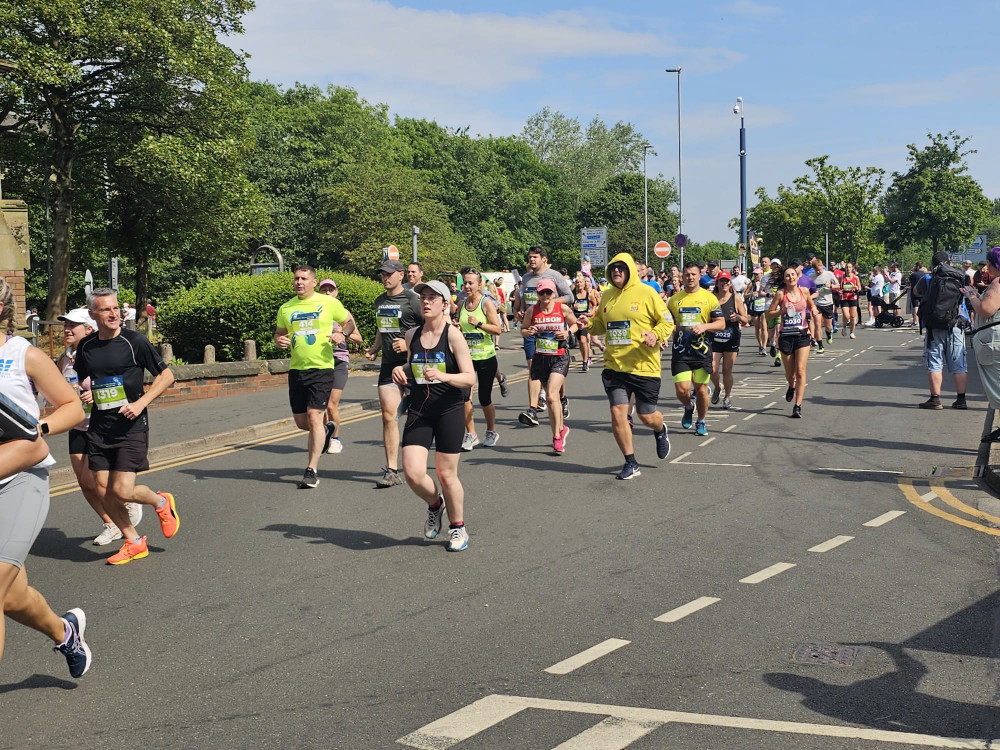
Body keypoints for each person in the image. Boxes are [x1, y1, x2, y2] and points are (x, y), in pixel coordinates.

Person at [0, 279, 92, 678]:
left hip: (21, 478)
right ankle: (65, 632)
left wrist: (40, 427)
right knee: (13, 598)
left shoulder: (24, 354)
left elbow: (71, 406)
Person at [75, 288, 179, 564]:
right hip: (100, 426)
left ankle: (161, 502)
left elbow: (166, 375)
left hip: (131, 426)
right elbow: (87, 379)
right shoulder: (86, 346)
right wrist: (86, 391)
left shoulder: (135, 341)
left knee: (121, 491)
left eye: (116, 308)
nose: (114, 314)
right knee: (102, 490)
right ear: (92, 314)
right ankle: (133, 541)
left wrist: (141, 402)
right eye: (106, 309)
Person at [393, 280, 476, 551]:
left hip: (449, 409)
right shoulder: (412, 335)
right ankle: (435, 504)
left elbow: (468, 377)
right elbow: (414, 364)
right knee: (413, 473)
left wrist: (442, 375)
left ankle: (458, 529)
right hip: (419, 409)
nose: (426, 302)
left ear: (444, 304)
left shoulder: (452, 335)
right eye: (423, 297)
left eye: (432, 298)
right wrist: (403, 369)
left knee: (446, 474)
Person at [579, 253, 673, 479]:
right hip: (615, 366)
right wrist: (588, 323)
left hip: (644, 366)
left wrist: (654, 334)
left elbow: (667, 321)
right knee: (617, 412)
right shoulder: (608, 296)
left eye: (621, 267)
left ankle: (660, 430)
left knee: (646, 416)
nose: (617, 271)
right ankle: (631, 462)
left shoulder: (647, 292)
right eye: (613, 268)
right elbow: (601, 325)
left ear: (630, 270)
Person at [56, 308, 142, 545]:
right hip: (77, 423)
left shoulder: (100, 355)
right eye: (65, 325)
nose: (66, 329)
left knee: (102, 483)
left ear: (88, 328)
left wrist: (97, 394)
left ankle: (125, 504)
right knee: (84, 482)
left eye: (72, 325)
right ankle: (110, 524)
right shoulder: (65, 358)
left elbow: (123, 384)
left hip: (103, 424)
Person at [274, 267, 357, 487]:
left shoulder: (329, 303)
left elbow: (349, 322)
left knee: (314, 416)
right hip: (296, 370)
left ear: (314, 281)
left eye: (304, 279)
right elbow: (279, 334)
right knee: (303, 423)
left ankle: (311, 470)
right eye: (296, 279)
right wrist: (279, 341)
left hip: (322, 368)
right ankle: (328, 429)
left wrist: (343, 333)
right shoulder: (286, 307)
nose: (299, 282)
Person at [366, 259, 423, 487]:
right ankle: (391, 469)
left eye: (389, 274)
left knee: (420, 416)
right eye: (383, 274)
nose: (385, 277)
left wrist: (409, 344)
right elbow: (383, 327)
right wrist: (375, 347)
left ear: (401, 275)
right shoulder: (380, 301)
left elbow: (431, 328)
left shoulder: (413, 300)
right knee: (389, 415)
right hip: (390, 366)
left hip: (415, 365)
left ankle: (419, 461)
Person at [514, 246, 573, 426]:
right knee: (533, 368)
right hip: (533, 328)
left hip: (553, 328)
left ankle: (561, 399)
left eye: (535, 257)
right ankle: (533, 408)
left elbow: (569, 296)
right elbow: (524, 299)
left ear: (544, 259)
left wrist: (547, 302)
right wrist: (522, 310)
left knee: (554, 367)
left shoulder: (554, 276)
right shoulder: (526, 278)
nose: (531, 260)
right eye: (530, 257)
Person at [667, 261, 726, 436]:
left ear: (699, 276)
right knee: (681, 389)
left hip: (702, 351)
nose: (690, 277)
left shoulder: (709, 298)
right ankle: (688, 406)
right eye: (687, 275)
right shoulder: (674, 300)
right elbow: (667, 323)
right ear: (682, 277)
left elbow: (721, 323)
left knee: (701, 390)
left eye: (693, 274)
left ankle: (701, 421)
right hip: (681, 351)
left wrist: (705, 327)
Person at [520, 278, 577, 454]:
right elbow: (523, 329)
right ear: (537, 294)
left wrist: (567, 332)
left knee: (552, 396)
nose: (545, 295)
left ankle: (556, 437)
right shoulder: (532, 310)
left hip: (559, 356)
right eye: (541, 292)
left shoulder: (562, 308)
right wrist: (528, 331)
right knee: (553, 399)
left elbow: (574, 324)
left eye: (548, 292)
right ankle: (561, 428)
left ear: (554, 294)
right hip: (541, 358)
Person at [915, 251, 968, 410]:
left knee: (935, 362)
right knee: (959, 364)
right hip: (956, 323)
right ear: (949, 262)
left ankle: (935, 399)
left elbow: (916, 292)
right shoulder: (961, 276)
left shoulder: (928, 278)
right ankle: (961, 399)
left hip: (935, 325)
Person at [457, 269, 503, 449]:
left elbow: (497, 329)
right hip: (466, 358)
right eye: (465, 283)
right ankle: (471, 434)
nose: (467, 286)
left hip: (485, 356)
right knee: (464, 397)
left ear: (479, 285)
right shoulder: (461, 304)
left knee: (484, 397)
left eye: (471, 283)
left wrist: (478, 323)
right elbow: (461, 327)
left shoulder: (486, 304)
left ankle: (491, 431)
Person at [318, 278, 364, 455]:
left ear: (336, 292)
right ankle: (322, 437)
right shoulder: (316, 312)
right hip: (320, 360)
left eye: (331, 289)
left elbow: (359, 338)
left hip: (339, 360)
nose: (328, 292)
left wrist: (343, 333)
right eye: (324, 290)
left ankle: (335, 439)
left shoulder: (344, 313)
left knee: (331, 404)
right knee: (319, 405)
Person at [767, 265, 820, 418]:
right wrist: (782, 311)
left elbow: (811, 305)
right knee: (790, 374)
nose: (790, 277)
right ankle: (791, 386)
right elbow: (769, 315)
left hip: (802, 334)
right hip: (786, 335)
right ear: (784, 279)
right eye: (787, 276)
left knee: (801, 370)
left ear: (797, 276)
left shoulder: (804, 291)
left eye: (792, 275)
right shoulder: (780, 294)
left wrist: (815, 310)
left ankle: (798, 405)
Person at [967, 248, 1000, 440]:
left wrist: (972, 296)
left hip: (993, 341)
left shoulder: (997, 283)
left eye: (988, 263)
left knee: (997, 384)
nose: (986, 267)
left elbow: (986, 309)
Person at [710, 272, 748, 410]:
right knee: (712, 369)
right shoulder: (711, 299)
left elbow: (746, 319)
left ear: (730, 283)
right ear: (717, 283)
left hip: (731, 339)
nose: (724, 284)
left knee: (727, 370)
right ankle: (717, 387)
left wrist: (737, 317)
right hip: (714, 339)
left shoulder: (735, 298)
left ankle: (727, 397)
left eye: (726, 281)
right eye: (721, 281)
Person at [809, 257, 840, 349]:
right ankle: (820, 346)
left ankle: (829, 334)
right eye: (816, 270)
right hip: (816, 303)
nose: (818, 272)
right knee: (817, 324)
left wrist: (830, 286)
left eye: (819, 270)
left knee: (828, 325)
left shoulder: (829, 274)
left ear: (822, 266)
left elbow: (838, 286)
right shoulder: (811, 277)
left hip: (827, 303)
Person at [571, 275, 595, 372]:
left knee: (583, 339)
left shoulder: (588, 294)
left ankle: (585, 362)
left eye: (581, 282)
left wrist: (592, 312)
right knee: (580, 341)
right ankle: (584, 358)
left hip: (584, 319)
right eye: (577, 282)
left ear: (584, 283)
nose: (579, 284)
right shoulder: (572, 295)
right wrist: (573, 308)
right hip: (575, 319)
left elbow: (595, 303)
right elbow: (567, 307)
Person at [746, 267, 770, 354]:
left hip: (763, 307)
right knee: (757, 327)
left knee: (764, 327)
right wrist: (751, 294)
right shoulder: (751, 284)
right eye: (755, 274)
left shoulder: (766, 284)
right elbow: (745, 295)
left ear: (762, 274)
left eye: (757, 274)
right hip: (755, 307)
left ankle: (764, 346)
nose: (756, 276)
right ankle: (760, 345)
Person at [839, 262, 862, 338]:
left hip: (853, 298)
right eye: (847, 267)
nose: (848, 269)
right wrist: (839, 291)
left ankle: (852, 332)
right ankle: (844, 327)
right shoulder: (841, 277)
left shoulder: (855, 277)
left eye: (849, 267)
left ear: (852, 268)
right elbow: (838, 287)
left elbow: (859, 288)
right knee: (846, 315)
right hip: (844, 298)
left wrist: (857, 288)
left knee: (852, 316)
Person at [908, 262, 926, 327]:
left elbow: (910, 281)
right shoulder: (924, 274)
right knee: (922, 306)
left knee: (915, 307)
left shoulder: (913, 274)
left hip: (914, 292)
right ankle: (922, 321)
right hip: (923, 292)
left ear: (917, 267)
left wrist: (913, 271)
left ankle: (916, 321)